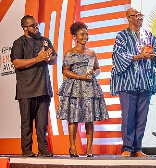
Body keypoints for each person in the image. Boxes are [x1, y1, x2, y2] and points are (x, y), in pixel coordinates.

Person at [110, 7, 156, 157]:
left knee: (142, 117)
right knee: (128, 116)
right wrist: (139, 56)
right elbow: (118, 56)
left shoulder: (147, 34)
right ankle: (127, 148)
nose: (140, 18)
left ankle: (137, 148)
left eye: (141, 15)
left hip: (145, 81)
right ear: (129, 18)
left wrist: (152, 54)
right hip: (127, 82)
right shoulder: (122, 35)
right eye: (136, 16)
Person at [56, 22, 109, 157]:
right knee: (73, 119)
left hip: (89, 88)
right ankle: (72, 147)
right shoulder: (70, 53)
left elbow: (97, 69)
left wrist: (93, 74)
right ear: (75, 37)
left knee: (89, 119)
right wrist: (80, 77)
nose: (85, 36)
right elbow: (65, 71)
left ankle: (89, 149)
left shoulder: (92, 53)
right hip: (74, 88)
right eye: (82, 34)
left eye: (86, 34)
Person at [11, 15, 57, 157]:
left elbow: (54, 59)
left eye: (37, 25)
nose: (37, 28)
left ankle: (43, 149)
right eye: (33, 26)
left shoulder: (44, 41)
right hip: (26, 89)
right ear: (25, 28)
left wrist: (48, 58)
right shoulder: (19, 43)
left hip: (43, 88)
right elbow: (17, 63)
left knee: (42, 123)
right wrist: (38, 59)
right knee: (26, 123)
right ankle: (26, 150)